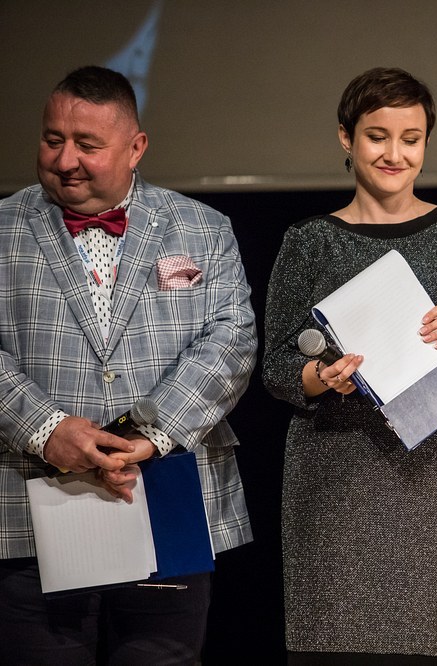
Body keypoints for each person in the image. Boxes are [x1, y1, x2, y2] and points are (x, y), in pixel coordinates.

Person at [262, 67, 437, 665]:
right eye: (377, 136)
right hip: (339, 486)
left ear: (426, 142)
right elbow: (277, 367)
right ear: (346, 138)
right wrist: (322, 377)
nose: (394, 153)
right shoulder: (309, 241)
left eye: (410, 139)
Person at [0, 66, 256, 664]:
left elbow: (232, 340)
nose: (65, 160)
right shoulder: (3, 227)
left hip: (165, 499)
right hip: (29, 507)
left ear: (136, 147)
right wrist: (47, 429)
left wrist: (148, 435)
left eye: (87, 145)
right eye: (53, 139)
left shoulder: (203, 228)